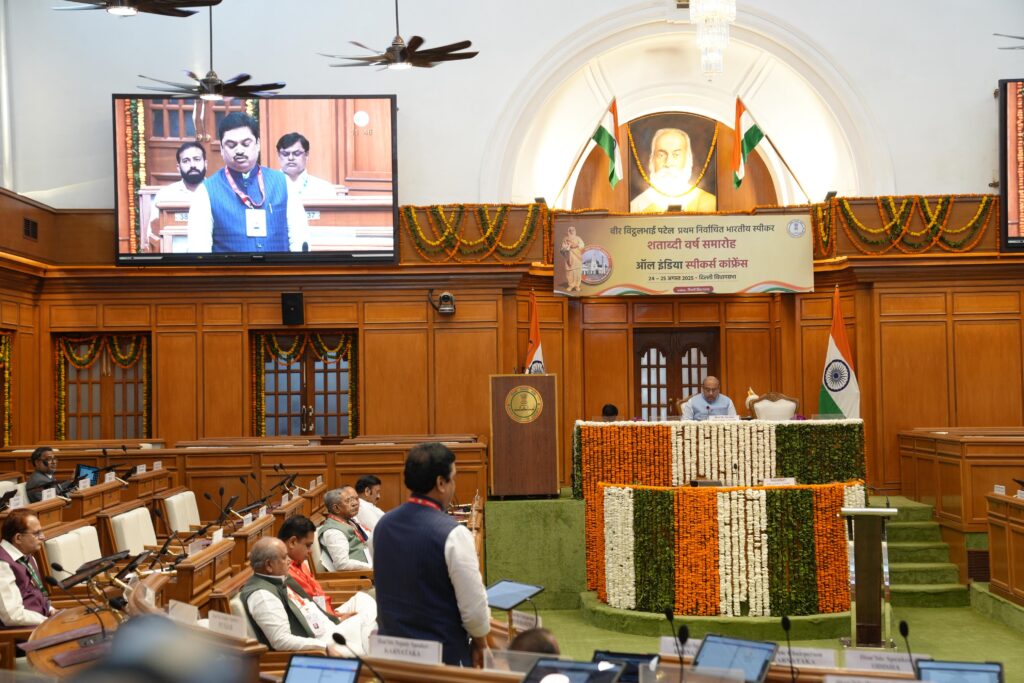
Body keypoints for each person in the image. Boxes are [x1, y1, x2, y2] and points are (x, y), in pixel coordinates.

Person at [372, 442, 490, 667]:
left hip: (390, 657)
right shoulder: (454, 534)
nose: (455, 484)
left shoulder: (382, 525)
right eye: (453, 478)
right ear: (441, 483)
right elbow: (473, 608)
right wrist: (481, 642)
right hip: (440, 661)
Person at [186, 112, 309, 253]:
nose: (239, 150)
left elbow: (299, 239)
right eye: (231, 145)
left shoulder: (283, 183)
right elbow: (199, 249)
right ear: (221, 149)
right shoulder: (206, 191)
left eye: (246, 144)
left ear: (257, 144)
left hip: (277, 273)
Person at [240, 537, 372, 656]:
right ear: (269, 565)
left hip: (326, 627)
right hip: (321, 642)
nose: (289, 561)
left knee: (364, 599)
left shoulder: (276, 578)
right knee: (368, 619)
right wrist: (324, 646)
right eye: (285, 557)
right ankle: (378, 664)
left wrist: (335, 619)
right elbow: (280, 640)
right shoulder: (262, 595)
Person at [277, 515, 377, 625]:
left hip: (330, 615)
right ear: (292, 542)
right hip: (323, 624)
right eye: (308, 545)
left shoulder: (300, 563)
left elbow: (318, 596)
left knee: (365, 599)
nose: (310, 551)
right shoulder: (283, 572)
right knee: (369, 615)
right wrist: (336, 620)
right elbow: (306, 609)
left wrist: (335, 614)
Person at [629, 128, 717, 213]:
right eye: (661, 155)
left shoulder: (709, 203)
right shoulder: (637, 206)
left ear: (688, 159)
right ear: (652, 160)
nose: (668, 163)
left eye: (676, 155)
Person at [0, 510, 55, 626]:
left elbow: (35, 595)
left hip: (40, 624)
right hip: (21, 634)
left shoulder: (26, 556)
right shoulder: (2, 564)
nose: (43, 537)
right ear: (18, 538)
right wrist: (48, 622)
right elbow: (12, 616)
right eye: (37, 533)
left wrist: (51, 611)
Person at [148, 141, 207, 241]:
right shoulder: (165, 196)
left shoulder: (216, 192)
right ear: (178, 168)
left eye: (197, 159)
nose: (192, 165)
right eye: (186, 161)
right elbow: (152, 237)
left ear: (205, 164)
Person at [317, 487, 372, 571]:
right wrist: (371, 568)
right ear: (336, 508)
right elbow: (342, 564)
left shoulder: (349, 520)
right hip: (362, 578)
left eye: (353, 499)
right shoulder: (333, 532)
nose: (355, 503)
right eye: (348, 501)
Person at [275, 132, 341, 198]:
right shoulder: (267, 187)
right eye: (285, 154)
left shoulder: (324, 189)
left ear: (306, 155)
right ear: (279, 155)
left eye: (297, 153)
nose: (291, 158)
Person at [561, 225, 585, 292]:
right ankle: (571, 285)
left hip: (577, 256)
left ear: (575, 231)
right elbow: (563, 248)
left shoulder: (578, 238)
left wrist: (576, 245)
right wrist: (568, 246)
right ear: (568, 231)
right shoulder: (565, 239)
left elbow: (582, 245)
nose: (571, 231)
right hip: (569, 256)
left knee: (577, 271)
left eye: (573, 230)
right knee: (570, 271)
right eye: (570, 230)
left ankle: (577, 285)